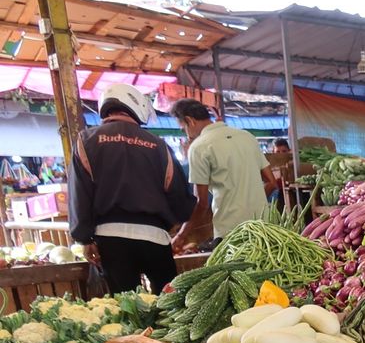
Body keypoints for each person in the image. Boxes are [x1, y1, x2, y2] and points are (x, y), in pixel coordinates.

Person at [67, 83, 195, 292]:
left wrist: (84, 237)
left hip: (111, 241)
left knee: (129, 310)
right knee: (169, 308)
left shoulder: (86, 141)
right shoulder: (158, 145)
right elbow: (179, 197)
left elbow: (79, 194)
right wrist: (177, 223)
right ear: (136, 107)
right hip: (155, 239)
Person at [170, 99, 277, 250]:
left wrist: (181, 235)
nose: (186, 135)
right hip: (263, 227)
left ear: (189, 121)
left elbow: (202, 203)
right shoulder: (247, 137)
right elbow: (272, 183)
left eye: (183, 129)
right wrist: (250, 203)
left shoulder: (199, 147)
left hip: (230, 233)